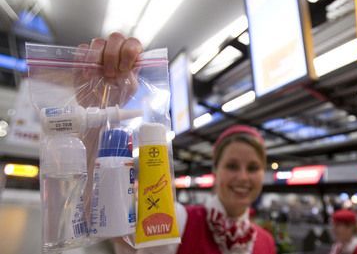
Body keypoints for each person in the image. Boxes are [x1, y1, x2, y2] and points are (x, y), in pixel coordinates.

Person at [85, 33, 276, 254]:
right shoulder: (179, 220)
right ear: (215, 170)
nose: (243, 177)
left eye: (253, 168)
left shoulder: (266, 242)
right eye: (232, 166)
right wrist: (98, 116)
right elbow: (111, 227)